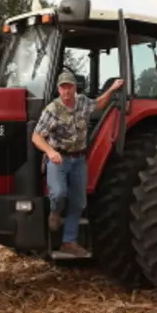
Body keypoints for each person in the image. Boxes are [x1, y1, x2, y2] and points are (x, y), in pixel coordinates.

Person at [31, 70, 124, 257]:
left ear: (75, 88)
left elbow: (98, 104)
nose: (66, 91)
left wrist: (112, 89)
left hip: (79, 159)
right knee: (58, 193)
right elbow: (36, 136)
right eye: (63, 87)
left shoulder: (82, 102)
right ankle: (55, 213)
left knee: (79, 201)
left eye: (69, 87)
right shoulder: (52, 110)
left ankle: (69, 242)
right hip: (59, 159)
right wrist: (50, 151)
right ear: (58, 89)